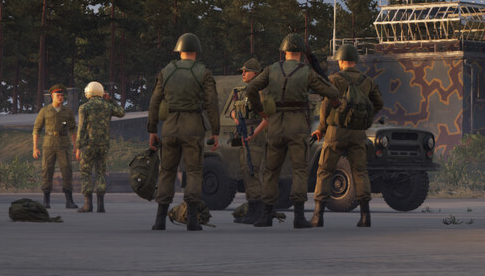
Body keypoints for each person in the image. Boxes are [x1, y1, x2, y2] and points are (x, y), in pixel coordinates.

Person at [240, 33, 343, 230]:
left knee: (271, 170)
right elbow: (332, 92)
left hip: (275, 125)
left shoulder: (271, 69)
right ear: (301, 53)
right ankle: (298, 216)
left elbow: (251, 88)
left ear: (284, 51)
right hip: (297, 125)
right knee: (299, 170)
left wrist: (261, 111)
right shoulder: (306, 72)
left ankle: (266, 215)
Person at [147, 33, 219, 231]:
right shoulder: (203, 72)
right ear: (196, 51)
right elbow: (212, 103)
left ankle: (160, 219)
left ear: (178, 51)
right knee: (194, 172)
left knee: (167, 171)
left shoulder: (166, 72)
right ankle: (192, 219)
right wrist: (215, 131)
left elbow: (154, 101)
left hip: (170, 126)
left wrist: (152, 129)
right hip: (193, 126)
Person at [315, 44, 381, 228]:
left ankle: (318, 216)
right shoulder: (367, 81)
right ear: (355, 61)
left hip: (335, 132)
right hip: (358, 133)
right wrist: (364, 118)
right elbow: (378, 103)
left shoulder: (334, 80)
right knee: (360, 171)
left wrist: (321, 128)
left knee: (325, 170)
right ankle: (365, 216)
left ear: (341, 61)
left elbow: (325, 106)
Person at [227, 58, 269, 225]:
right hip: (244, 134)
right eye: (242, 71)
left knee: (253, 171)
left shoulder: (261, 91)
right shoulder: (244, 91)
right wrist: (236, 118)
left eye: (246, 71)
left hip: (255, 135)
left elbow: (267, 117)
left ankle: (258, 211)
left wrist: (254, 134)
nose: (243, 74)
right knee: (246, 172)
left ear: (256, 73)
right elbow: (232, 110)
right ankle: (252, 210)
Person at [75, 81, 119, 213]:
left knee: (86, 172)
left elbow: (81, 128)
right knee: (101, 172)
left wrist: (78, 147)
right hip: (103, 145)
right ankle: (101, 205)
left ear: (89, 92)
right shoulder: (108, 106)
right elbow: (121, 112)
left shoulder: (84, 107)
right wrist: (110, 100)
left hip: (89, 145)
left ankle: (87, 204)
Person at [32, 84, 78, 209]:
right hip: (49, 144)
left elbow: (73, 129)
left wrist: (76, 146)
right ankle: (46, 200)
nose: (61, 97)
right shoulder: (45, 111)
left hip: (63, 144)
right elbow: (36, 129)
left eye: (62, 95)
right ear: (52, 96)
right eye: (58, 95)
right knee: (47, 170)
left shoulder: (67, 111)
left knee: (67, 170)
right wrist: (35, 147)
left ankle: (69, 200)